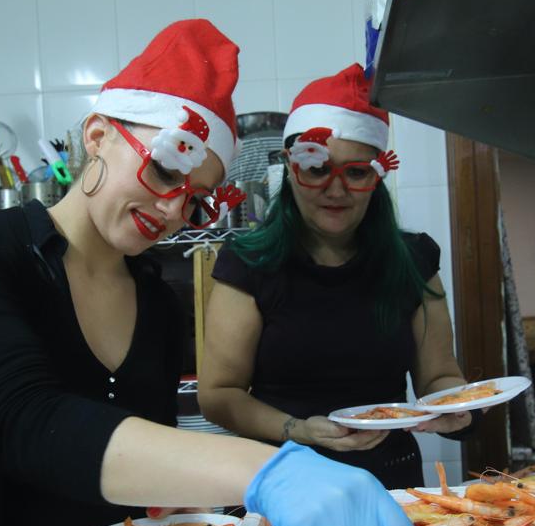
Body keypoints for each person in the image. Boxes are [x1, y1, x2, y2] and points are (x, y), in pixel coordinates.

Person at [0, 24, 424, 526]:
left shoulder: (155, 302)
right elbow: (24, 420)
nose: (171, 211)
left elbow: (141, 486)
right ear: (98, 136)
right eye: (165, 172)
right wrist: (267, 470)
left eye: (195, 200)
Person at [198, 64, 476, 490]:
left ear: (377, 175)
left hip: (391, 484)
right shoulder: (248, 264)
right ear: (291, 169)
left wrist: (458, 409)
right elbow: (219, 395)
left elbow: (439, 376)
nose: (335, 189)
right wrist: (298, 428)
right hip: (286, 479)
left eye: (357, 172)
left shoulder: (413, 260)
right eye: (316, 167)